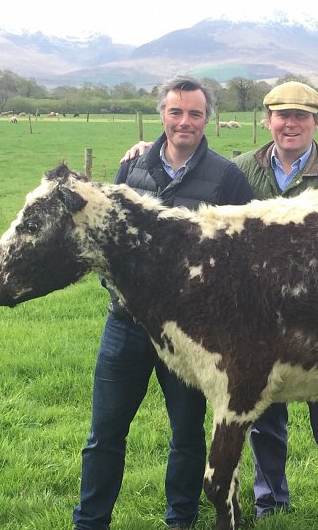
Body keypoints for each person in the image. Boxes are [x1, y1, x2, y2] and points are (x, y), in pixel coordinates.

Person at [120, 81, 318, 529]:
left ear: (316, 123)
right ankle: (271, 501)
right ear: (268, 121)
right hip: (261, 322)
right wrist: (148, 151)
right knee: (262, 417)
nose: (290, 124)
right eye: (282, 116)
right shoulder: (243, 171)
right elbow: (196, 176)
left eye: (301, 117)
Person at [73, 74, 253, 530]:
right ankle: (90, 522)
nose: (184, 122)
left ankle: (181, 521)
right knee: (105, 434)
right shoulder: (133, 168)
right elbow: (106, 241)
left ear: (207, 118)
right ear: (162, 116)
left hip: (193, 333)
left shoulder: (227, 177)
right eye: (176, 112)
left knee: (188, 436)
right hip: (127, 326)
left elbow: (246, 255)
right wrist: (118, 293)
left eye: (195, 113)